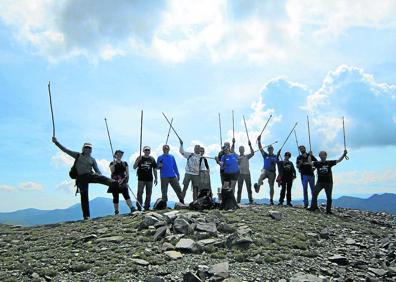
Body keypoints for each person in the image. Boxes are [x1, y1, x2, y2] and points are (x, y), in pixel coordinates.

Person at [52, 137, 119, 220]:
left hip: (90, 175)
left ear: (91, 150)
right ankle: (86, 216)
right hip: (81, 178)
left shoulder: (92, 159)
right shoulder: (78, 155)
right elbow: (65, 150)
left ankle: (114, 183)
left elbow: (97, 171)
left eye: (89, 148)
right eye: (86, 147)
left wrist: (101, 177)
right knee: (84, 196)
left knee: (102, 178)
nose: (87, 149)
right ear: (83, 149)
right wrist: (56, 142)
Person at [308, 150, 348, 214]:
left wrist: (344, 155)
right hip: (320, 182)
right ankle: (312, 208)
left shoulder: (329, 162)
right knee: (315, 194)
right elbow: (310, 162)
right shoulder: (317, 163)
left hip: (328, 182)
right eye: (321, 155)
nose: (322, 156)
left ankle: (328, 211)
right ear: (319, 156)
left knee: (329, 197)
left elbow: (338, 160)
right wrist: (309, 155)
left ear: (326, 156)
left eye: (323, 155)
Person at [254, 135, 280, 205]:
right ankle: (258, 187)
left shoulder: (275, 156)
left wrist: (277, 157)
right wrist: (259, 141)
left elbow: (277, 162)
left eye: (271, 149)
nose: (270, 150)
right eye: (269, 149)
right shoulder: (265, 155)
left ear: (273, 149)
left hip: (272, 172)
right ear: (268, 150)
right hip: (265, 170)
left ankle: (271, 200)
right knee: (261, 175)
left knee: (271, 186)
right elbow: (260, 148)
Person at [109, 150, 135, 215]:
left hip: (123, 181)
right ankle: (116, 211)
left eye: (120, 154)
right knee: (115, 196)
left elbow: (127, 173)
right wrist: (114, 164)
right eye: (118, 154)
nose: (119, 155)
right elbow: (112, 171)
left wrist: (126, 181)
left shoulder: (125, 163)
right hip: (114, 181)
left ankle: (132, 208)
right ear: (115, 155)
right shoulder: (112, 163)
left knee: (126, 195)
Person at [133, 146, 158, 211]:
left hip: (149, 179)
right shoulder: (139, 158)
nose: (147, 151)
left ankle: (147, 207)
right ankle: (139, 206)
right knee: (139, 193)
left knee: (148, 193)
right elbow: (134, 167)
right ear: (143, 151)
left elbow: (155, 169)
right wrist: (137, 161)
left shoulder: (152, 159)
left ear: (150, 151)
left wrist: (156, 178)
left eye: (148, 150)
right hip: (141, 179)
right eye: (146, 150)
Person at [219, 144, 239, 210]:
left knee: (232, 187)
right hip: (227, 173)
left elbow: (239, 159)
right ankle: (223, 201)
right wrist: (218, 161)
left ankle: (232, 201)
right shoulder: (223, 157)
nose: (225, 150)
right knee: (224, 187)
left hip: (235, 173)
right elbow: (221, 165)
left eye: (226, 149)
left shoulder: (233, 154)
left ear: (228, 148)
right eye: (224, 150)